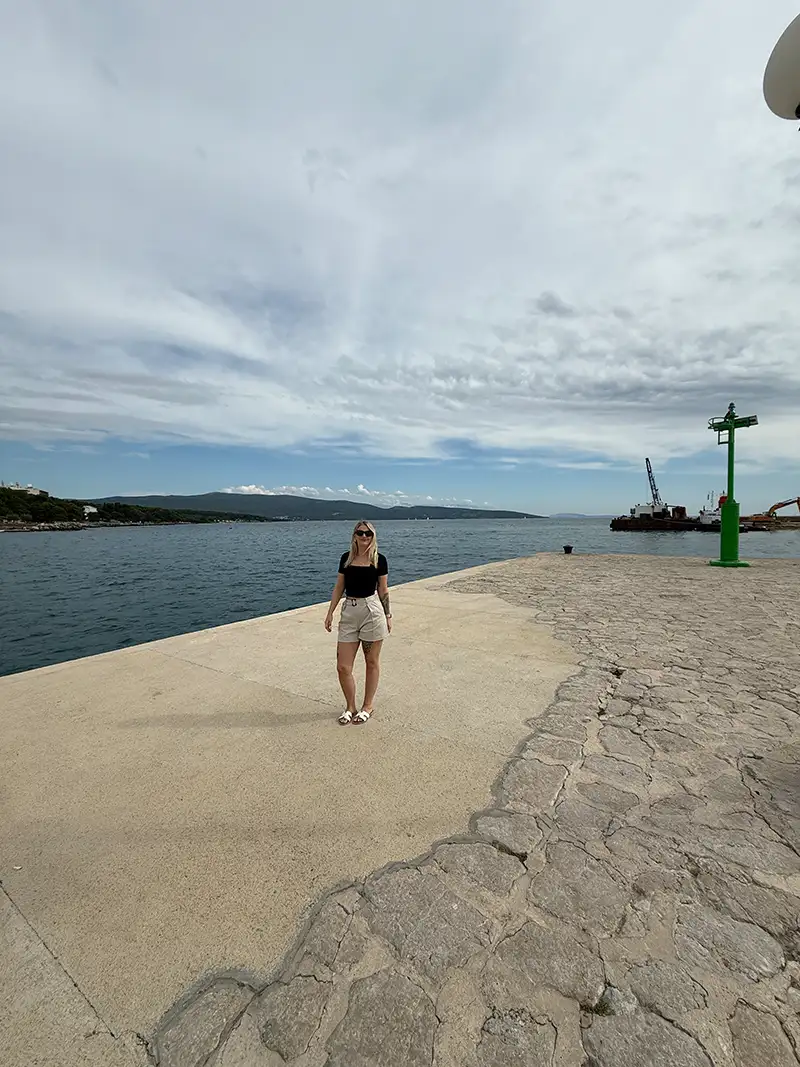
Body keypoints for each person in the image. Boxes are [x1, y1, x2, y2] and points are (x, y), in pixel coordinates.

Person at [324, 520, 392, 724]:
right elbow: (339, 587)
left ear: (373, 536)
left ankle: (368, 706)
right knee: (343, 667)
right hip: (349, 612)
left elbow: (383, 590)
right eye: (360, 533)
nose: (364, 537)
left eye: (368, 534)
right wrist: (330, 612)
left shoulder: (379, 560)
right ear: (354, 535)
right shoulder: (346, 558)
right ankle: (350, 707)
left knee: (371, 662)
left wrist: (388, 616)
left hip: (371, 611)